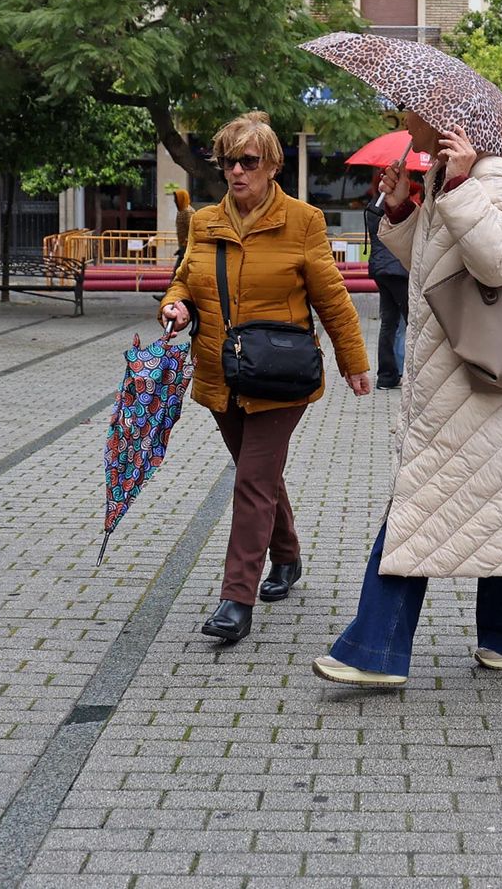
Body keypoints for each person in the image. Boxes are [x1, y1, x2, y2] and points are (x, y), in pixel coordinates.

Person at [313, 115, 502, 687]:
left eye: (410, 115)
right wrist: (405, 209)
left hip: (486, 390)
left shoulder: (497, 177)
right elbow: (432, 269)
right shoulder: (443, 181)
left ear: (443, 123)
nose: (402, 123)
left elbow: (500, 261)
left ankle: (372, 650)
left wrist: (458, 190)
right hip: (463, 385)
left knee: (420, 509)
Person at [160, 112, 373, 644]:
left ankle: (237, 598)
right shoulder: (205, 222)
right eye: (228, 160)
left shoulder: (303, 221)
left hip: (280, 374)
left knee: (251, 480)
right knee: (261, 474)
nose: (236, 170)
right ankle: (288, 555)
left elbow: (331, 298)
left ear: (273, 165)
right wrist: (176, 307)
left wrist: (354, 362)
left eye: (248, 161)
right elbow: (183, 282)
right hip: (220, 371)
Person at [364, 166, 416, 390]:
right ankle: (411, 375)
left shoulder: (371, 205)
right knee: (412, 320)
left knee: (388, 322)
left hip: (380, 269)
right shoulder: (386, 205)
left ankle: (386, 375)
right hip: (397, 269)